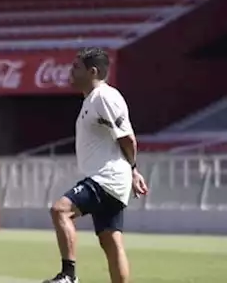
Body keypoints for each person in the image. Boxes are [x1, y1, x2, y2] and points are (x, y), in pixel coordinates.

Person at [45, 48, 149, 283]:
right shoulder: (91, 100)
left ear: (92, 71)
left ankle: (68, 275)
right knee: (111, 242)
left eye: (76, 67)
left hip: (107, 178)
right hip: (111, 178)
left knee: (60, 210)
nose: (70, 72)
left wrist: (131, 169)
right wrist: (131, 171)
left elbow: (127, 138)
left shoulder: (103, 97)